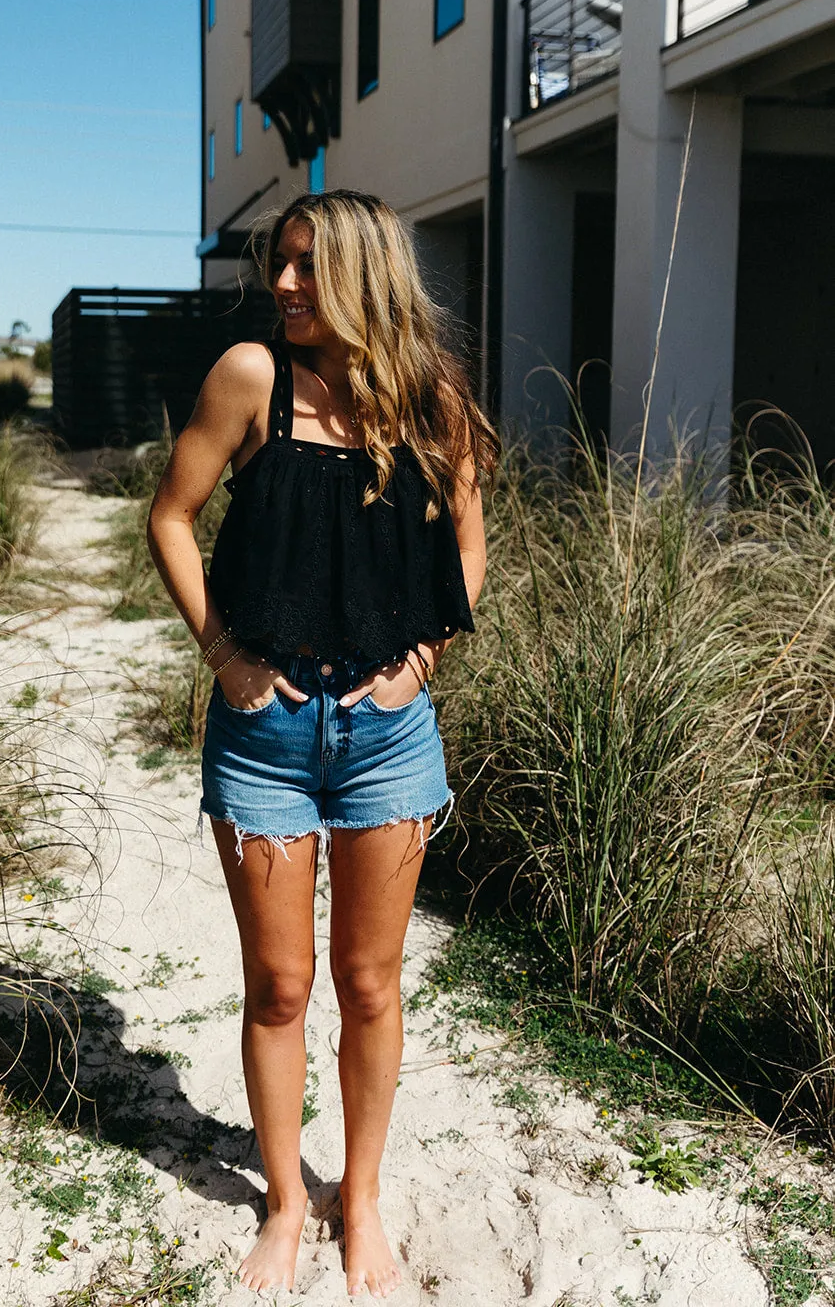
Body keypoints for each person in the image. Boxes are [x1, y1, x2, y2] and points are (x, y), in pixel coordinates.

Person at [146, 190, 497, 1298]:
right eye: (280, 264)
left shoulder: (428, 398)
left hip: (388, 735)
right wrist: (226, 659)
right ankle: (288, 1204)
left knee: (372, 983)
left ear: (363, 275)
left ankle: (365, 1199)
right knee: (281, 988)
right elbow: (170, 516)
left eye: (305, 266)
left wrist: (425, 659)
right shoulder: (251, 378)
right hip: (264, 736)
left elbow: (472, 540)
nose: (283, 285)